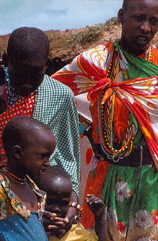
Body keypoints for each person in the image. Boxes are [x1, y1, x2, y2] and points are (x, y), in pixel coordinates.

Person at [52, 0, 158, 240]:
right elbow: (54, 94)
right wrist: (87, 131)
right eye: (139, 18)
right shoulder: (97, 62)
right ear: (121, 15)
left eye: (154, 21)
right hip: (107, 177)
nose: (146, 27)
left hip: (153, 180)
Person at [0, 27, 80, 233]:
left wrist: (71, 206)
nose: (27, 81)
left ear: (47, 65)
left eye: (36, 73)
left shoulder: (61, 96)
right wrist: (17, 206)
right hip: (4, 205)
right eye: (20, 71)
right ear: (5, 61)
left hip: (53, 207)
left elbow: (69, 159)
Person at [0, 116, 56, 240]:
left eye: (49, 157)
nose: (47, 163)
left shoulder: (33, 188)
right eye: (42, 156)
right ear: (18, 153)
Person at [35, 166, 107, 241]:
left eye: (64, 203)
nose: (57, 209)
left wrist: (100, 218)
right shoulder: (30, 227)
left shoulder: (76, 232)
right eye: (50, 201)